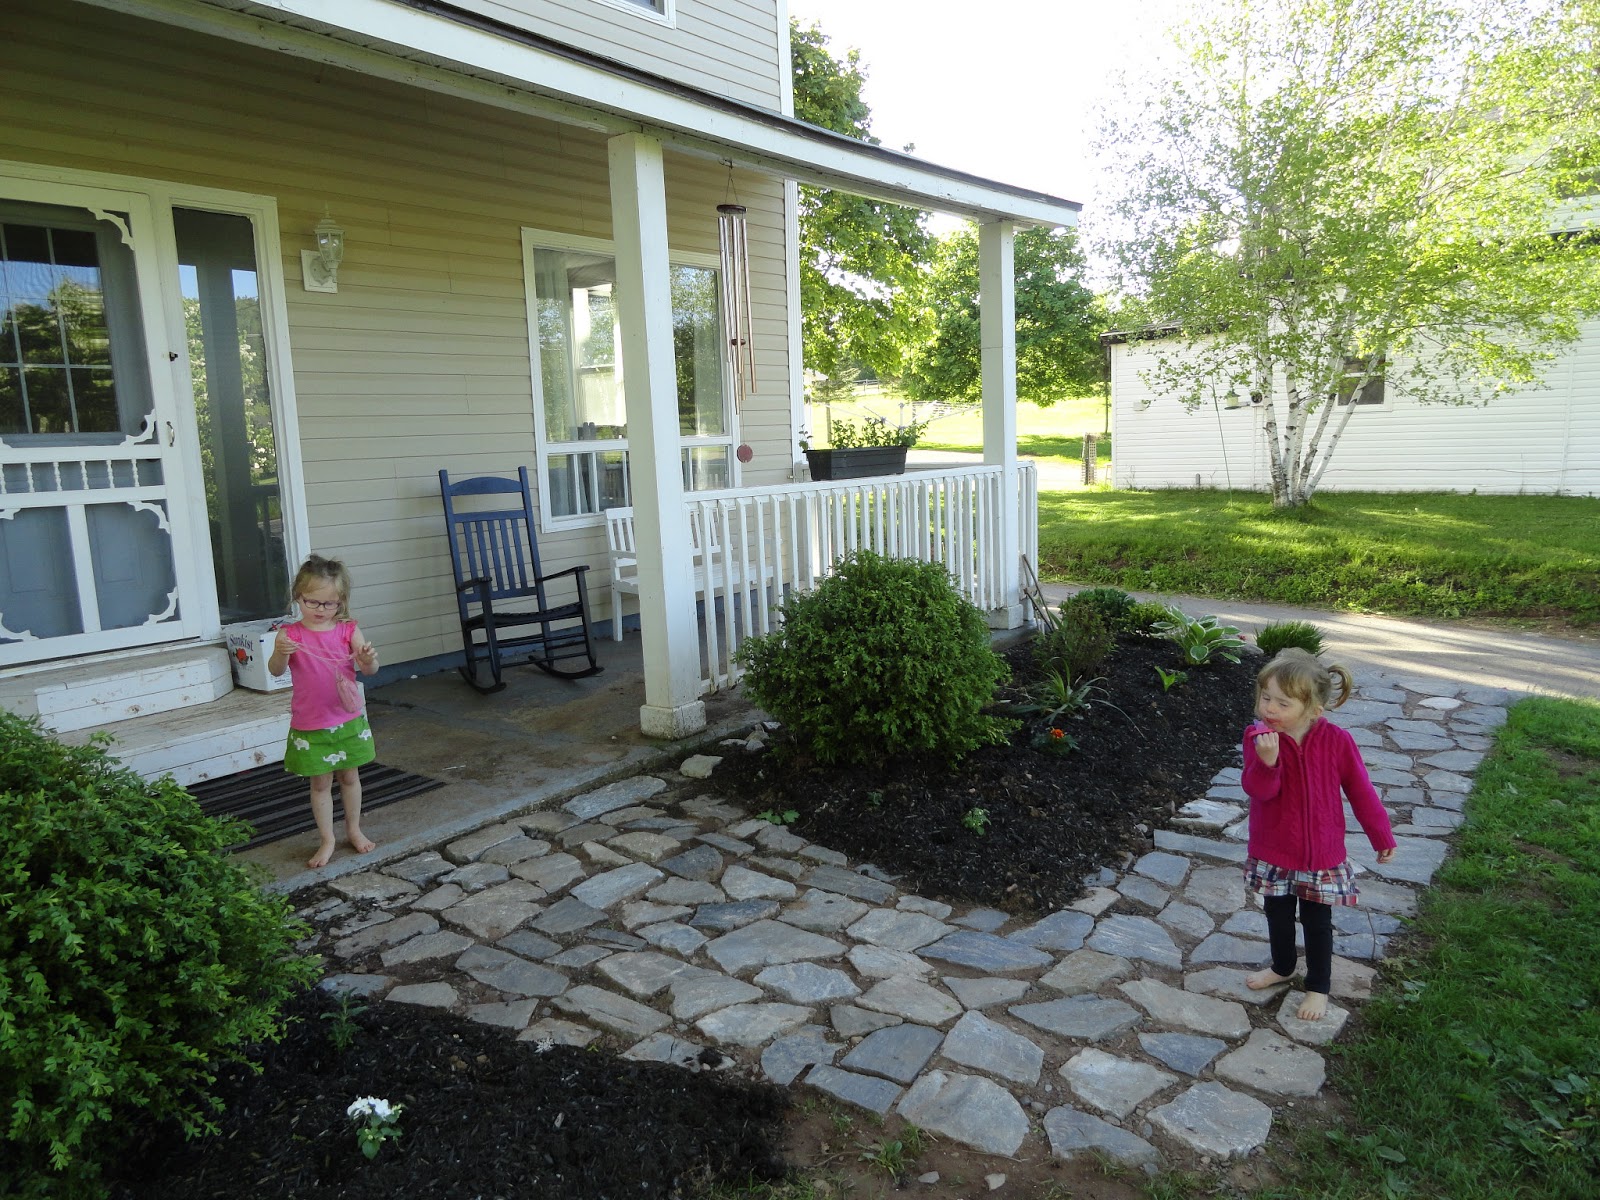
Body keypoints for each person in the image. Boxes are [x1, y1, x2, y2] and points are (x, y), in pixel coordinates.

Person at [1241, 648, 1396, 1020]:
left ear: (1313, 710)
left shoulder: (1337, 741)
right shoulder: (1259, 738)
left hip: (1321, 855)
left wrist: (1381, 835)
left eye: (1283, 703)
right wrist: (1267, 763)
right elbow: (1258, 790)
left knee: (1317, 922)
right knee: (1277, 916)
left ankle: (1318, 987)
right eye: (1266, 698)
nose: (1270, 709)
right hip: (1274, 851)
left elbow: (1360, 790)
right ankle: (1282, 967)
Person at [268, 555, 381, 869]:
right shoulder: (290, 635)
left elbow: (369, 670)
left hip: (346, 719)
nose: (320, 609)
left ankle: (354, 829)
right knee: (320, 784)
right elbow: (275, 671)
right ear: (298, 597)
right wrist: (280, 653)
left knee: (350, 777)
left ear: (340, 601)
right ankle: (327, 838)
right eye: (312, 602)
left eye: (329, 604)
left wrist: (368, 659)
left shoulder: (347, 630)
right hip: (312, 723)